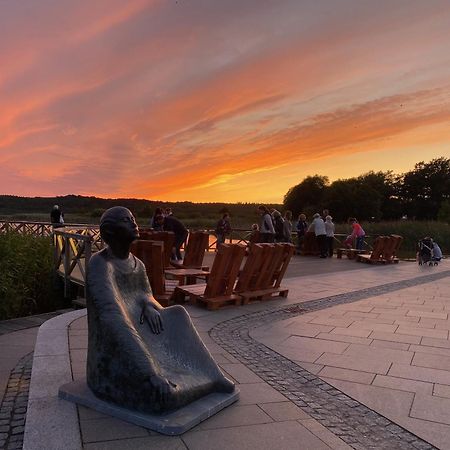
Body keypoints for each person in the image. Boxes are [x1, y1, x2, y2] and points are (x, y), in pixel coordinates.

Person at [86, 206, 234, 414]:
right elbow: (112, 316)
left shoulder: (138, 264)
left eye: (133, 218)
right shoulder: (101, 265)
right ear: (109, 232)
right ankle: (157, 375)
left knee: (178, 314)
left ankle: (214, 375)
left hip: (140, 323)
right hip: (115, 351)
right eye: (126, 220)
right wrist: (150, 374)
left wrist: (148, 305)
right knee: (162, 396)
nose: (134, 223)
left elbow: (145, 293)